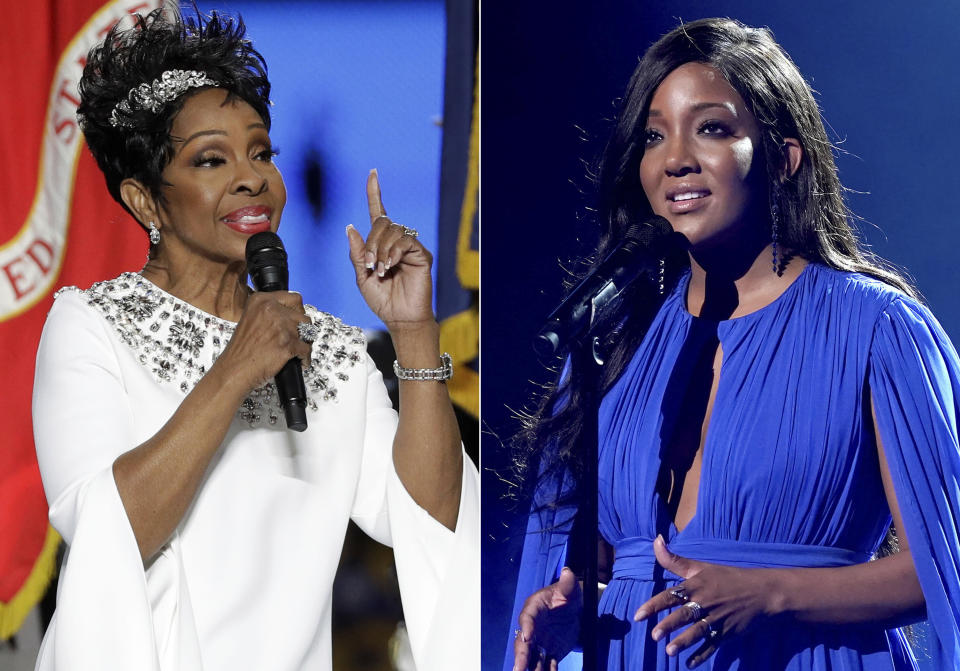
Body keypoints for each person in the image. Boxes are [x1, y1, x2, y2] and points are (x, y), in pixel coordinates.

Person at [506, 17, 960, 671]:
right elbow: (616, 550)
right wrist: (573, 603)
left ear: (782, 157)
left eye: (711, 127)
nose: (675, 157)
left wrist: (769, 593)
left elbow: (942, 569)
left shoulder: (878, 329)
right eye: (655, 134)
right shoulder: (616, 340)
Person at [32, 7, 478, 670]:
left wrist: (414, 332)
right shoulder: (91, 326)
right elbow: (108, 534)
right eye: (212, 158)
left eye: (262, 151)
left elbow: (434, 518)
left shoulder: (329, 350)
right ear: (145, 201)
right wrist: (236, 368)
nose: (253, 177)